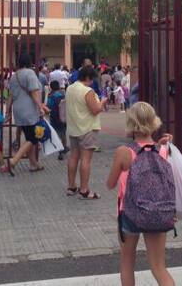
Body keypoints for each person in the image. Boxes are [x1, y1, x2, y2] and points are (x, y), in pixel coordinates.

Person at [106, 102, 175, 286]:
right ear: (153, 121)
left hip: (129, 212)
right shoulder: (164, 149)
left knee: (127, 261)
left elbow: (110, 184)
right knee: (159, 266)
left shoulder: (124, 152)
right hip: (158, 212)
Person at [65, 65, 107, 199]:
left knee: (73, 157)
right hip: (87, 128)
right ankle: (84, 190)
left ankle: (71, 186)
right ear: (88, 77)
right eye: (91, 79)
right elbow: (95, 110)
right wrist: (102, 103)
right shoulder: (87, 91)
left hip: (73, 128)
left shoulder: (70, 88)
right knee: (86, 159)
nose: (92, 82)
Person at [6, 54, 49, 175]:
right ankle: (14, 160)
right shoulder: (30, 73)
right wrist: (40, 106)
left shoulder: (14, 76)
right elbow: (34, 92)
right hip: (29, 109)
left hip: (18, 109)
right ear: (29, 62)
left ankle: (33, 164)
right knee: (33, 138)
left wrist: (7, 111)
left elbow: (10, 96)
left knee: (29, 137)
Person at [47, 80, 68, 160]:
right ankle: (64, 147)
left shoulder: (50, 96)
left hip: (54, 118)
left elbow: (49, 107)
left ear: (51, 87)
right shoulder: (62, 95)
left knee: (57, 135)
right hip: (62, 118)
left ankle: (60, 150)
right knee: (63, 134)